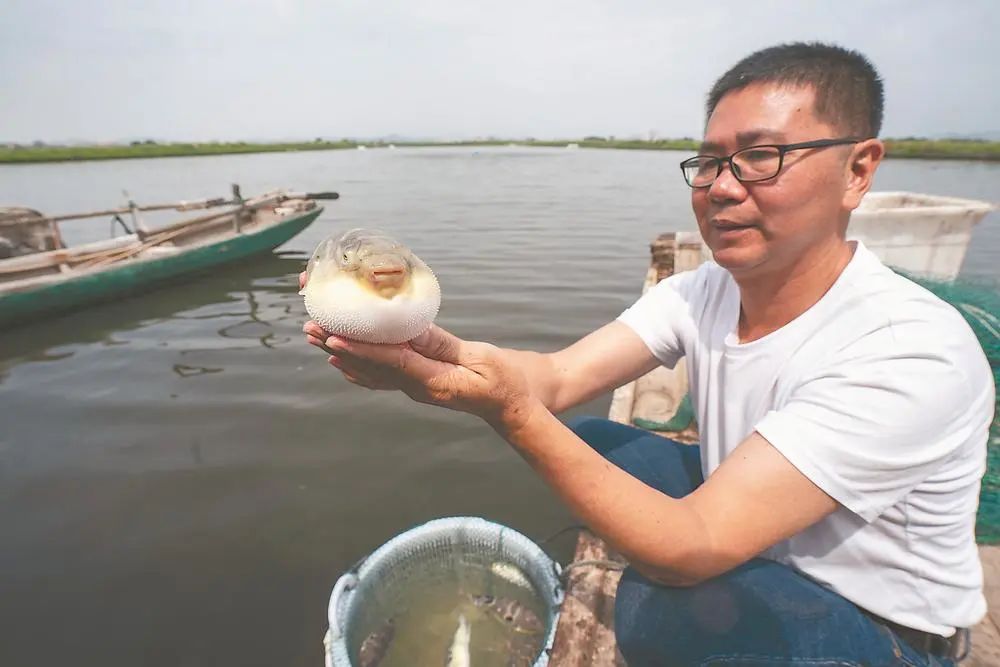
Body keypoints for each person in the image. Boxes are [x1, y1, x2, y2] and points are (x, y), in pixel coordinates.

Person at [303, 42, 994, 666]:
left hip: (883, 628)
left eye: (761, 156)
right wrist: (420, 348)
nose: (722, 186)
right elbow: (560, 375)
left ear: (858, 169)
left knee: (657, 604)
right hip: (763, 532)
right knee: (597, 441)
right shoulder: (705, 291)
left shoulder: (907, 351)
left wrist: (509, 412)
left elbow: (690, 543)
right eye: (711, 161)